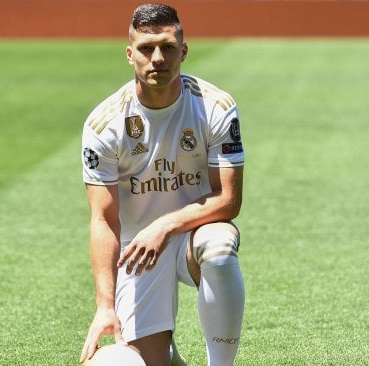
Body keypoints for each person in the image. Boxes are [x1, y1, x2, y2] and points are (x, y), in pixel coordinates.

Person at [79, 4, 245, 366]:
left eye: (168, 47)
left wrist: (166, 225)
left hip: (191, 235)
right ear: (129, 54)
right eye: (146, 48)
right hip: (138, 253)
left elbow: (229, 201)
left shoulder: (215, 107)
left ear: (183, 51)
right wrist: (105, 306)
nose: (158, 58)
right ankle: (162, 353)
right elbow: (103, 220)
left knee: (218, 245)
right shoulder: (104, 124)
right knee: (126, 363)